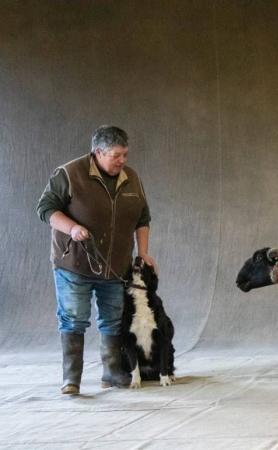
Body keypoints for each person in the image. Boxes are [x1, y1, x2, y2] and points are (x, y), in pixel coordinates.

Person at [37, 125, 156, 394]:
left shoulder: (132, 178)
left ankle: (112, 372)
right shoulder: (69, 173)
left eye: (125, 154)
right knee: (74, 318)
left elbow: (143, 218)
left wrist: (143, 252)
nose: (122, 161)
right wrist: (72, 228)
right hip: (74, 264)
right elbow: (45, 208)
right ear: (98, 152)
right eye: (116, 155)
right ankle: (72, 379)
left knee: (114, 319)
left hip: (115, 265)